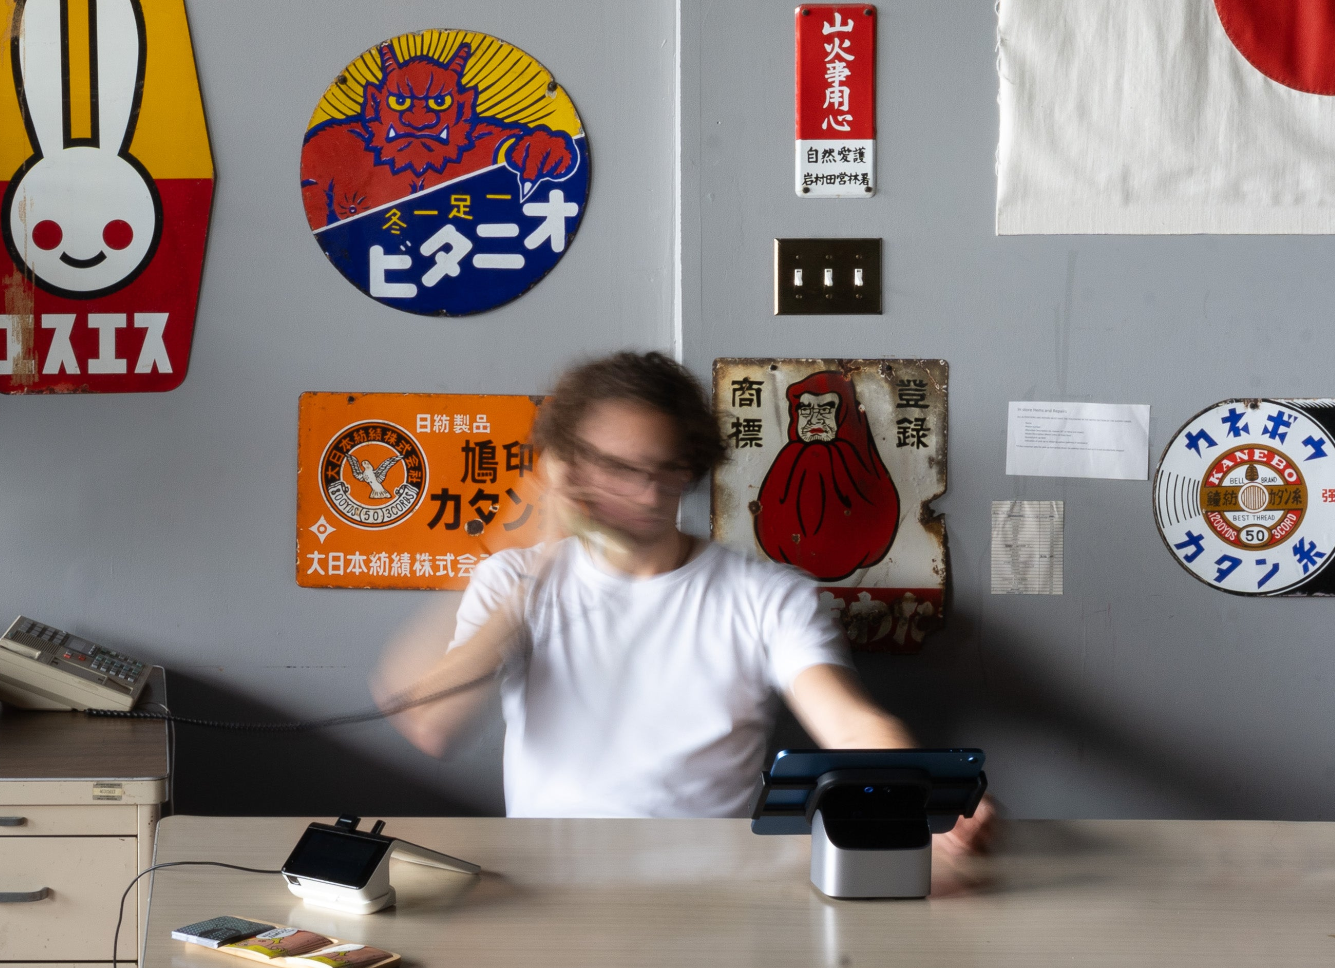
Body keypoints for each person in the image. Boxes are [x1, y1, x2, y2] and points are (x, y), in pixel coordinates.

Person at [379, 350, 995, 855]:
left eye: (666, 470)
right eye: (619, 468)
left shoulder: (768, 596)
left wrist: (927, 794)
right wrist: (538, 558)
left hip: (714, 895)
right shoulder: (511, 580)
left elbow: (850, 723)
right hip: (550, 886)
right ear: (567, 467)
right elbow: (432, 723)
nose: (648, 495)